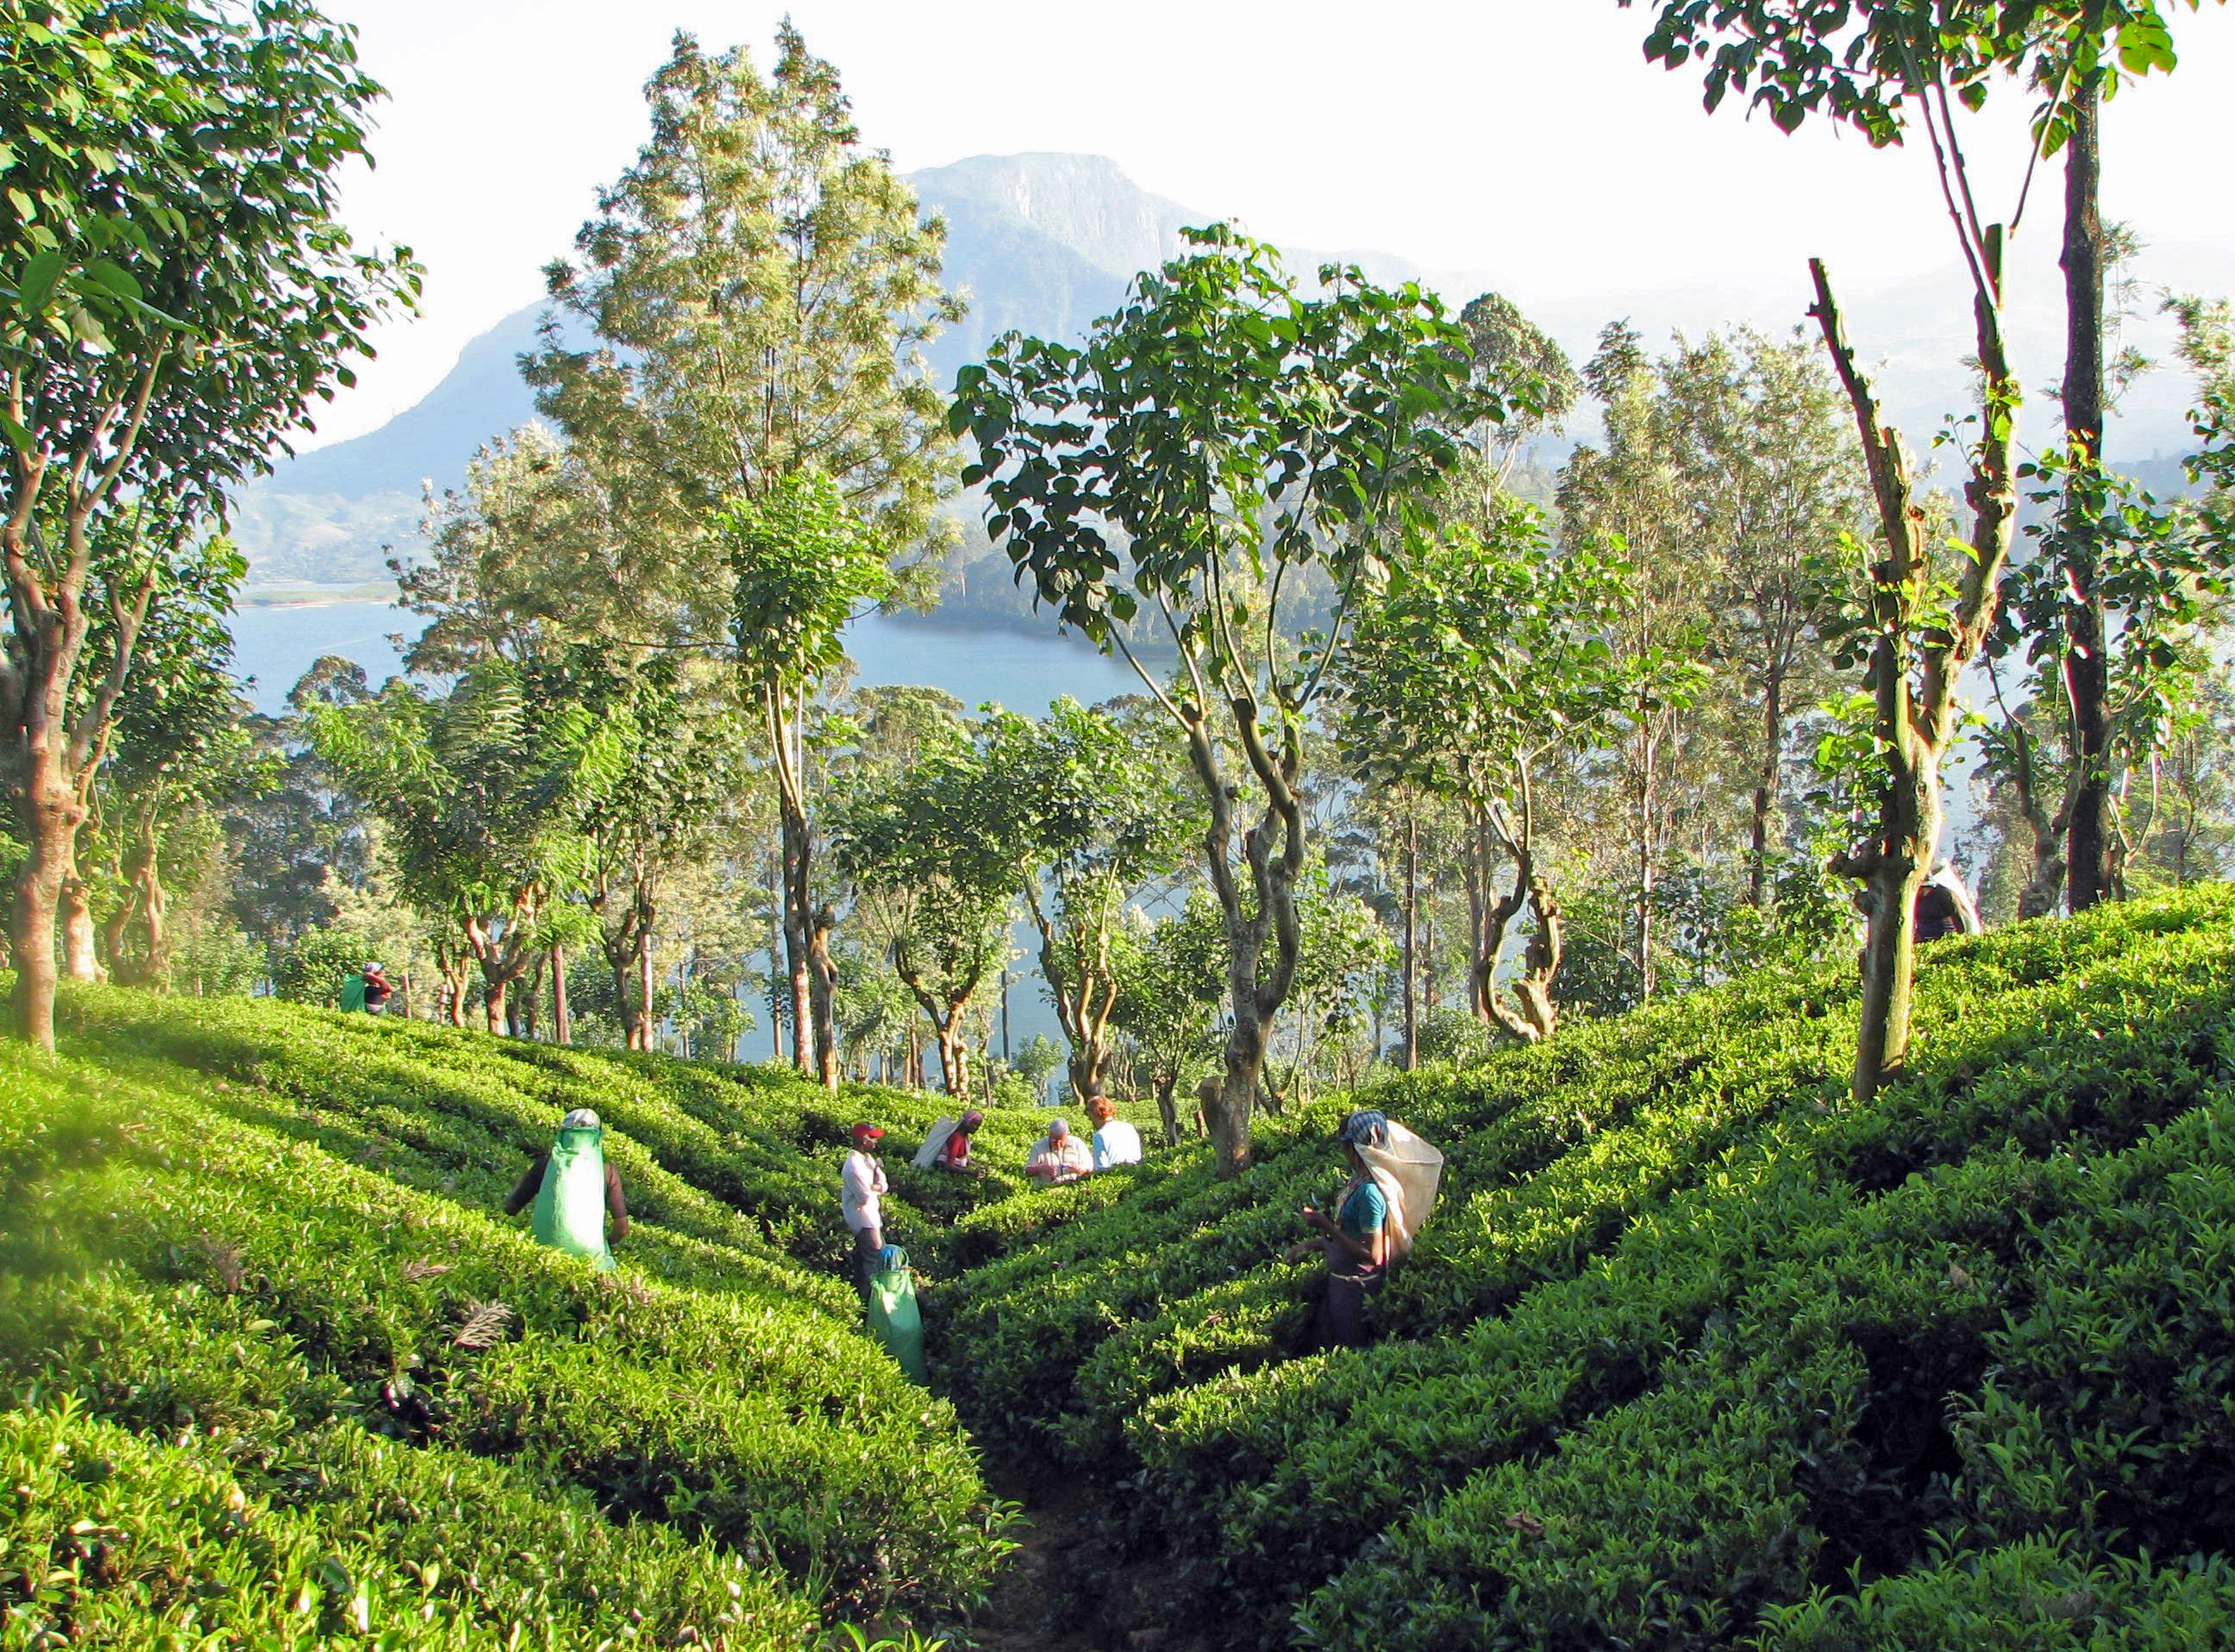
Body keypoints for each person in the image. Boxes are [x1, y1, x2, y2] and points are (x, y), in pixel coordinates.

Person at [1280, 1109, 1444, 1350]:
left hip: (1355, 1291)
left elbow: (1373, 1255)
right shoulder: (1359, 1181)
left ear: (1352, 1148)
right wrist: (1311, 1244)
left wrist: (1324, 1224)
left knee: (1351, 1349)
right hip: (1343, 1283)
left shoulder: (1370, 1193)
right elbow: (1350, 1233)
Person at [504, 1107, 627, 1270]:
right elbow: (622, 1228)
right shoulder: (608, 1172)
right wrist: (608, 1242)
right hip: (588, 1261)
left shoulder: (546, 1165)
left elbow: (511, 1209)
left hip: (542, 1256)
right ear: (596, 1137)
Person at [841, 1123, 889, 1292]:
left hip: (872, 1217)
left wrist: (874, 1185)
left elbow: (884, 1185)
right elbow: (864, 1197)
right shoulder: (854, 1166)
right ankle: (872, 1301)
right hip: (863, 1220)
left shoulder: (868, 1160)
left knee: (868, 1260)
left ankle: (865, 1298)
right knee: (874, 1262)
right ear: (863, 1139)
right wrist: (875, 1186)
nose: (875, 1142)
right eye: (873, 1138)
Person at [1915, 863, 1984, 943]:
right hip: (1923, 938)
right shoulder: (1916, 898)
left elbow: (1958, 916)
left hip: (1944, 938)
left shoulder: (1943, 893)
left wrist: (1963, 939)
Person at [1024, 1116, 1093, 1184]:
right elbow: (1027, 1171)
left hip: (1073, 1187)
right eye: (1054, 1141)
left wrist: (1079, 1169)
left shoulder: (1077, 1144)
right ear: (1050, 1134)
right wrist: (1041, 1169)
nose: (1058, 1145)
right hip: (1046, 1190)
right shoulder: (1038, 1147)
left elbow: (1090, 1168)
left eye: (1061, 1141)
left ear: (1067, 1135)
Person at [1086, 1092, 1142, 1171]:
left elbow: (1101, 1168)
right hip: (1136, 1171)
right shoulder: (1128, 1127)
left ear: (1092, 1114)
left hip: (1115, 1174)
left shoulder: (1100, 1135)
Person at [936, 1109, 986, 1174]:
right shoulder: (956, 1137)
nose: (977, 1128)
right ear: (968, 1123)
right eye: (976, 1124)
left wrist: (981, 1167)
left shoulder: (964, 1136)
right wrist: (972, 1173)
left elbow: (962, 1157)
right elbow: (949, 1166)